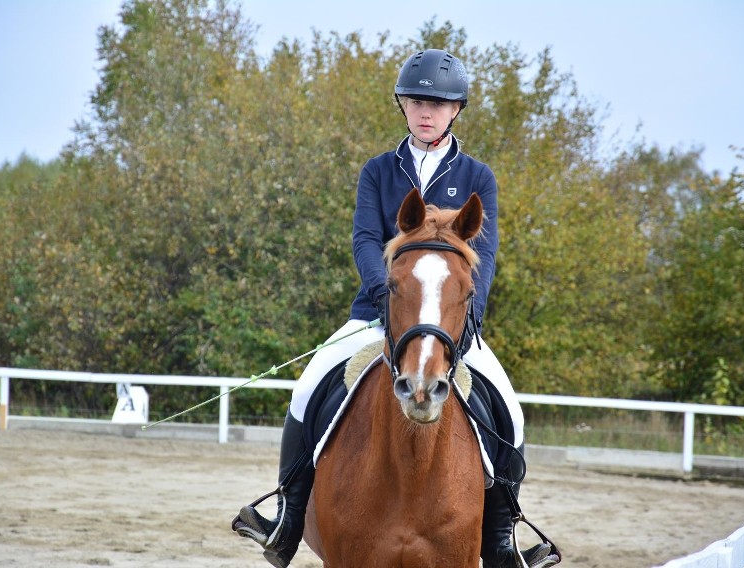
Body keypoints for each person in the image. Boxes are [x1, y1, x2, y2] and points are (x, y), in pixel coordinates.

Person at [233, 48, 555, 568]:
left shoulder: (478, 177)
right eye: (416, 101)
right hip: (376, 313)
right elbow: (364, 237)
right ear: (402, 107)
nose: (426, 111)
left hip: (451, 321)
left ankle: (500, 540)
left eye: (438, 103)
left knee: (511, 414)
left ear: (456, 110)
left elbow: (485, 254)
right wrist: (383, 293)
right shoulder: (379, 171)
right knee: (307, 390)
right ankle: (287, 521)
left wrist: (473, 315)